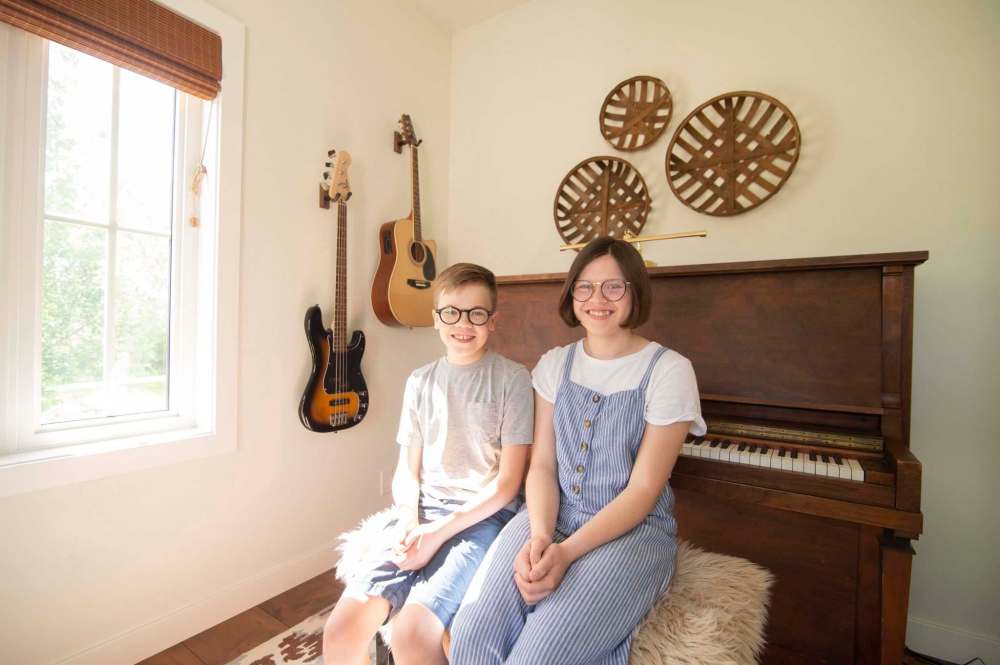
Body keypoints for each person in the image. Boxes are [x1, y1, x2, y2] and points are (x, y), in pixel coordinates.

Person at [449, 237, 707, 665]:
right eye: (584, 287)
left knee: (537, 658)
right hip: (551, 513)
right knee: (470, 637)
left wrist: (566, 554)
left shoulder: (670, 370)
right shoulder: (554, 364)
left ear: (635, 292)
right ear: (572, 294)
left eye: (613, 287)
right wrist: (541, 538)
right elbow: (544, 467)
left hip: (633, 531)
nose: (597, 299)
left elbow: (643, 491)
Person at [322, 263, 534, 665]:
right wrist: (407, 520)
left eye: (476, 313)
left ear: (493, 320)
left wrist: (436, 534)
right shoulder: (420, 381)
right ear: (436, 318)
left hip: (481, 519)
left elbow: (508, 486)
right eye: (451, 312)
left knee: (413, 636)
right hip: (421, 512)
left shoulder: (513, 379)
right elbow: (408, 470)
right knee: (341, 633)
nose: (463, 323)